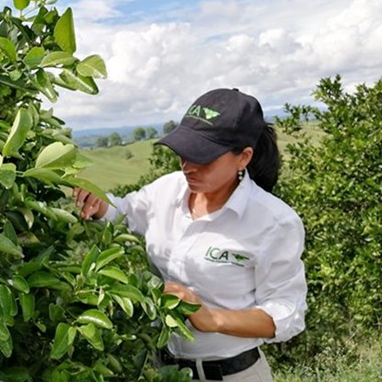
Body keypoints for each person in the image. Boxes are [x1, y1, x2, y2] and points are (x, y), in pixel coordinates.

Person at [73, 88, 307, 381]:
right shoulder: (168, 189)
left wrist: (213, 318)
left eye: (203, 156)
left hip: (233, 374)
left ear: (243, 157)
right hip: (167, 372)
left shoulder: (273, 221)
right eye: (183, 152)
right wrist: (97, 204)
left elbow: (287, 312)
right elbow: (125, 212)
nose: (188, 166)